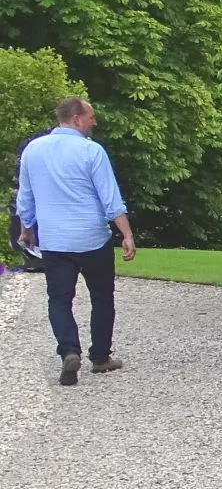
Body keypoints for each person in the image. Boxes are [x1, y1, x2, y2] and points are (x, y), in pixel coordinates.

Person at [15, 97, 136, 385]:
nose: (94, 122)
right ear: (76, 118)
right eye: (91, 117)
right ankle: (100, 357)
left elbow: (26, 196)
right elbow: (110, 199)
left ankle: (69, 350)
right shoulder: (91, 151)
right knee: (102, 298)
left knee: (59, 300)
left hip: (55, 240)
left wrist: (26, 228)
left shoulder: (33, 150)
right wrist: (127, 234)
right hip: (91, 238)